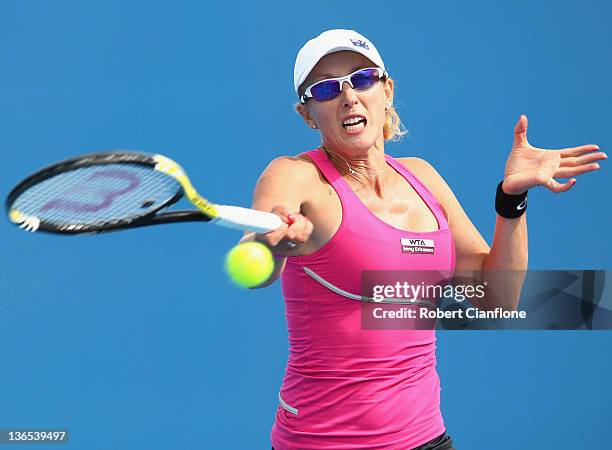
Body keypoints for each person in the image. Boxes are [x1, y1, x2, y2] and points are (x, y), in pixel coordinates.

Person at [239, 29, 605, 450]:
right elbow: (262, 246)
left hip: (426, 438)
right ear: (308, 115)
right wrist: (271, 243)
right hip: (321, 443)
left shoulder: (423, 178)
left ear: (387, 90)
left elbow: (497, 299)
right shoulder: (295, 175)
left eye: (362, 79)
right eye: (325, 89)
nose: (348, 97)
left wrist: (511, 200)